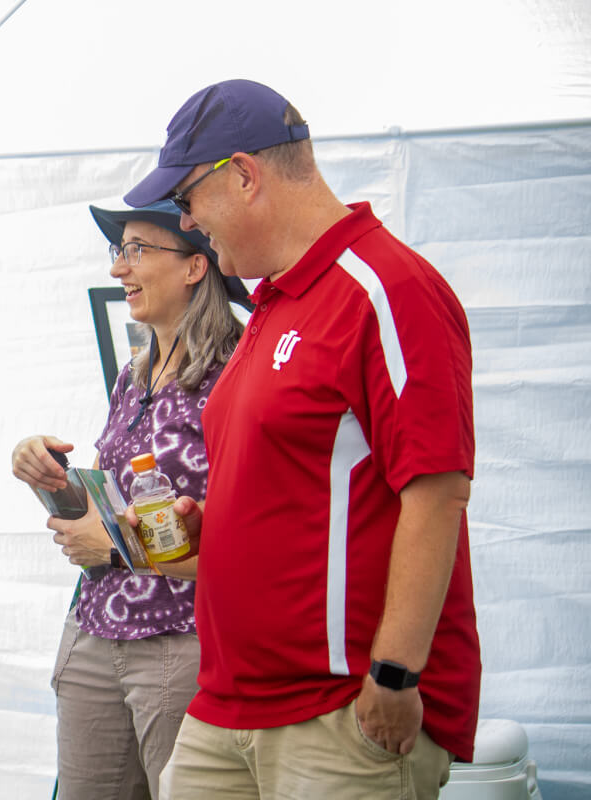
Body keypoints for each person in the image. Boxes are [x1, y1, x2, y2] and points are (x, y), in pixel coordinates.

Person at [120, 79, 480, 799]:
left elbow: (438, 491)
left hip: (338, 710)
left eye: (187, 198)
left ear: (244, 175)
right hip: (230, 702)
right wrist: (211, 531)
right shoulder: (273, 304)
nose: (186, 220)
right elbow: (301, 489)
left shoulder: (384, 287)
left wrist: (395, 673)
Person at [11, 199, 250, 798]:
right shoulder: (134, 376)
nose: (119, 267)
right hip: (95, 631)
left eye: (137, 250)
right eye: (119, 250)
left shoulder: (237, 374)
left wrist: (117, 551)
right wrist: (45, 471)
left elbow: (248, 535)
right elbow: (114, 504)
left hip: (179, 641)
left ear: (195, 266)